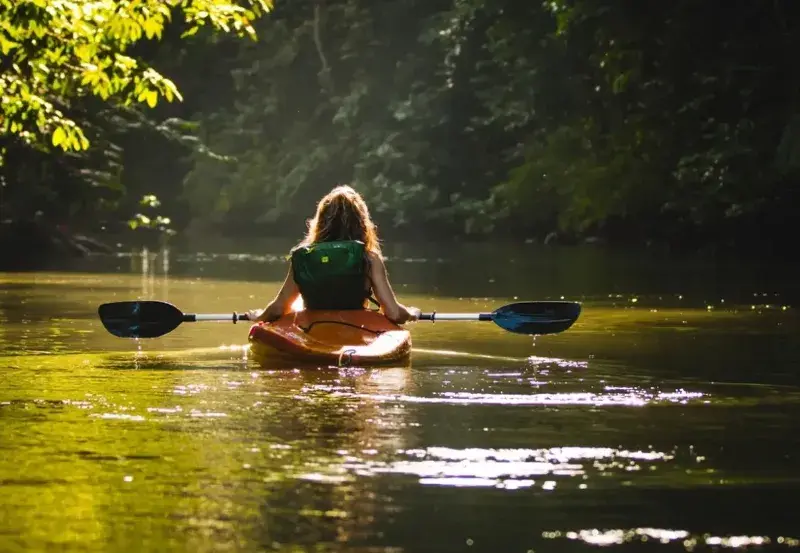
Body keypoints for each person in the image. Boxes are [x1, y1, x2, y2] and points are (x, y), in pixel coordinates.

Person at [247, 185, 420, 324]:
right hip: (355, 329)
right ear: (361, 223)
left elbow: (279, 308)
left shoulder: (304, 257)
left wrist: (259, 317)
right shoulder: (370, 258)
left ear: (320, 221)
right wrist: (411, 313)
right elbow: (394, 313)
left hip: (312, 329)